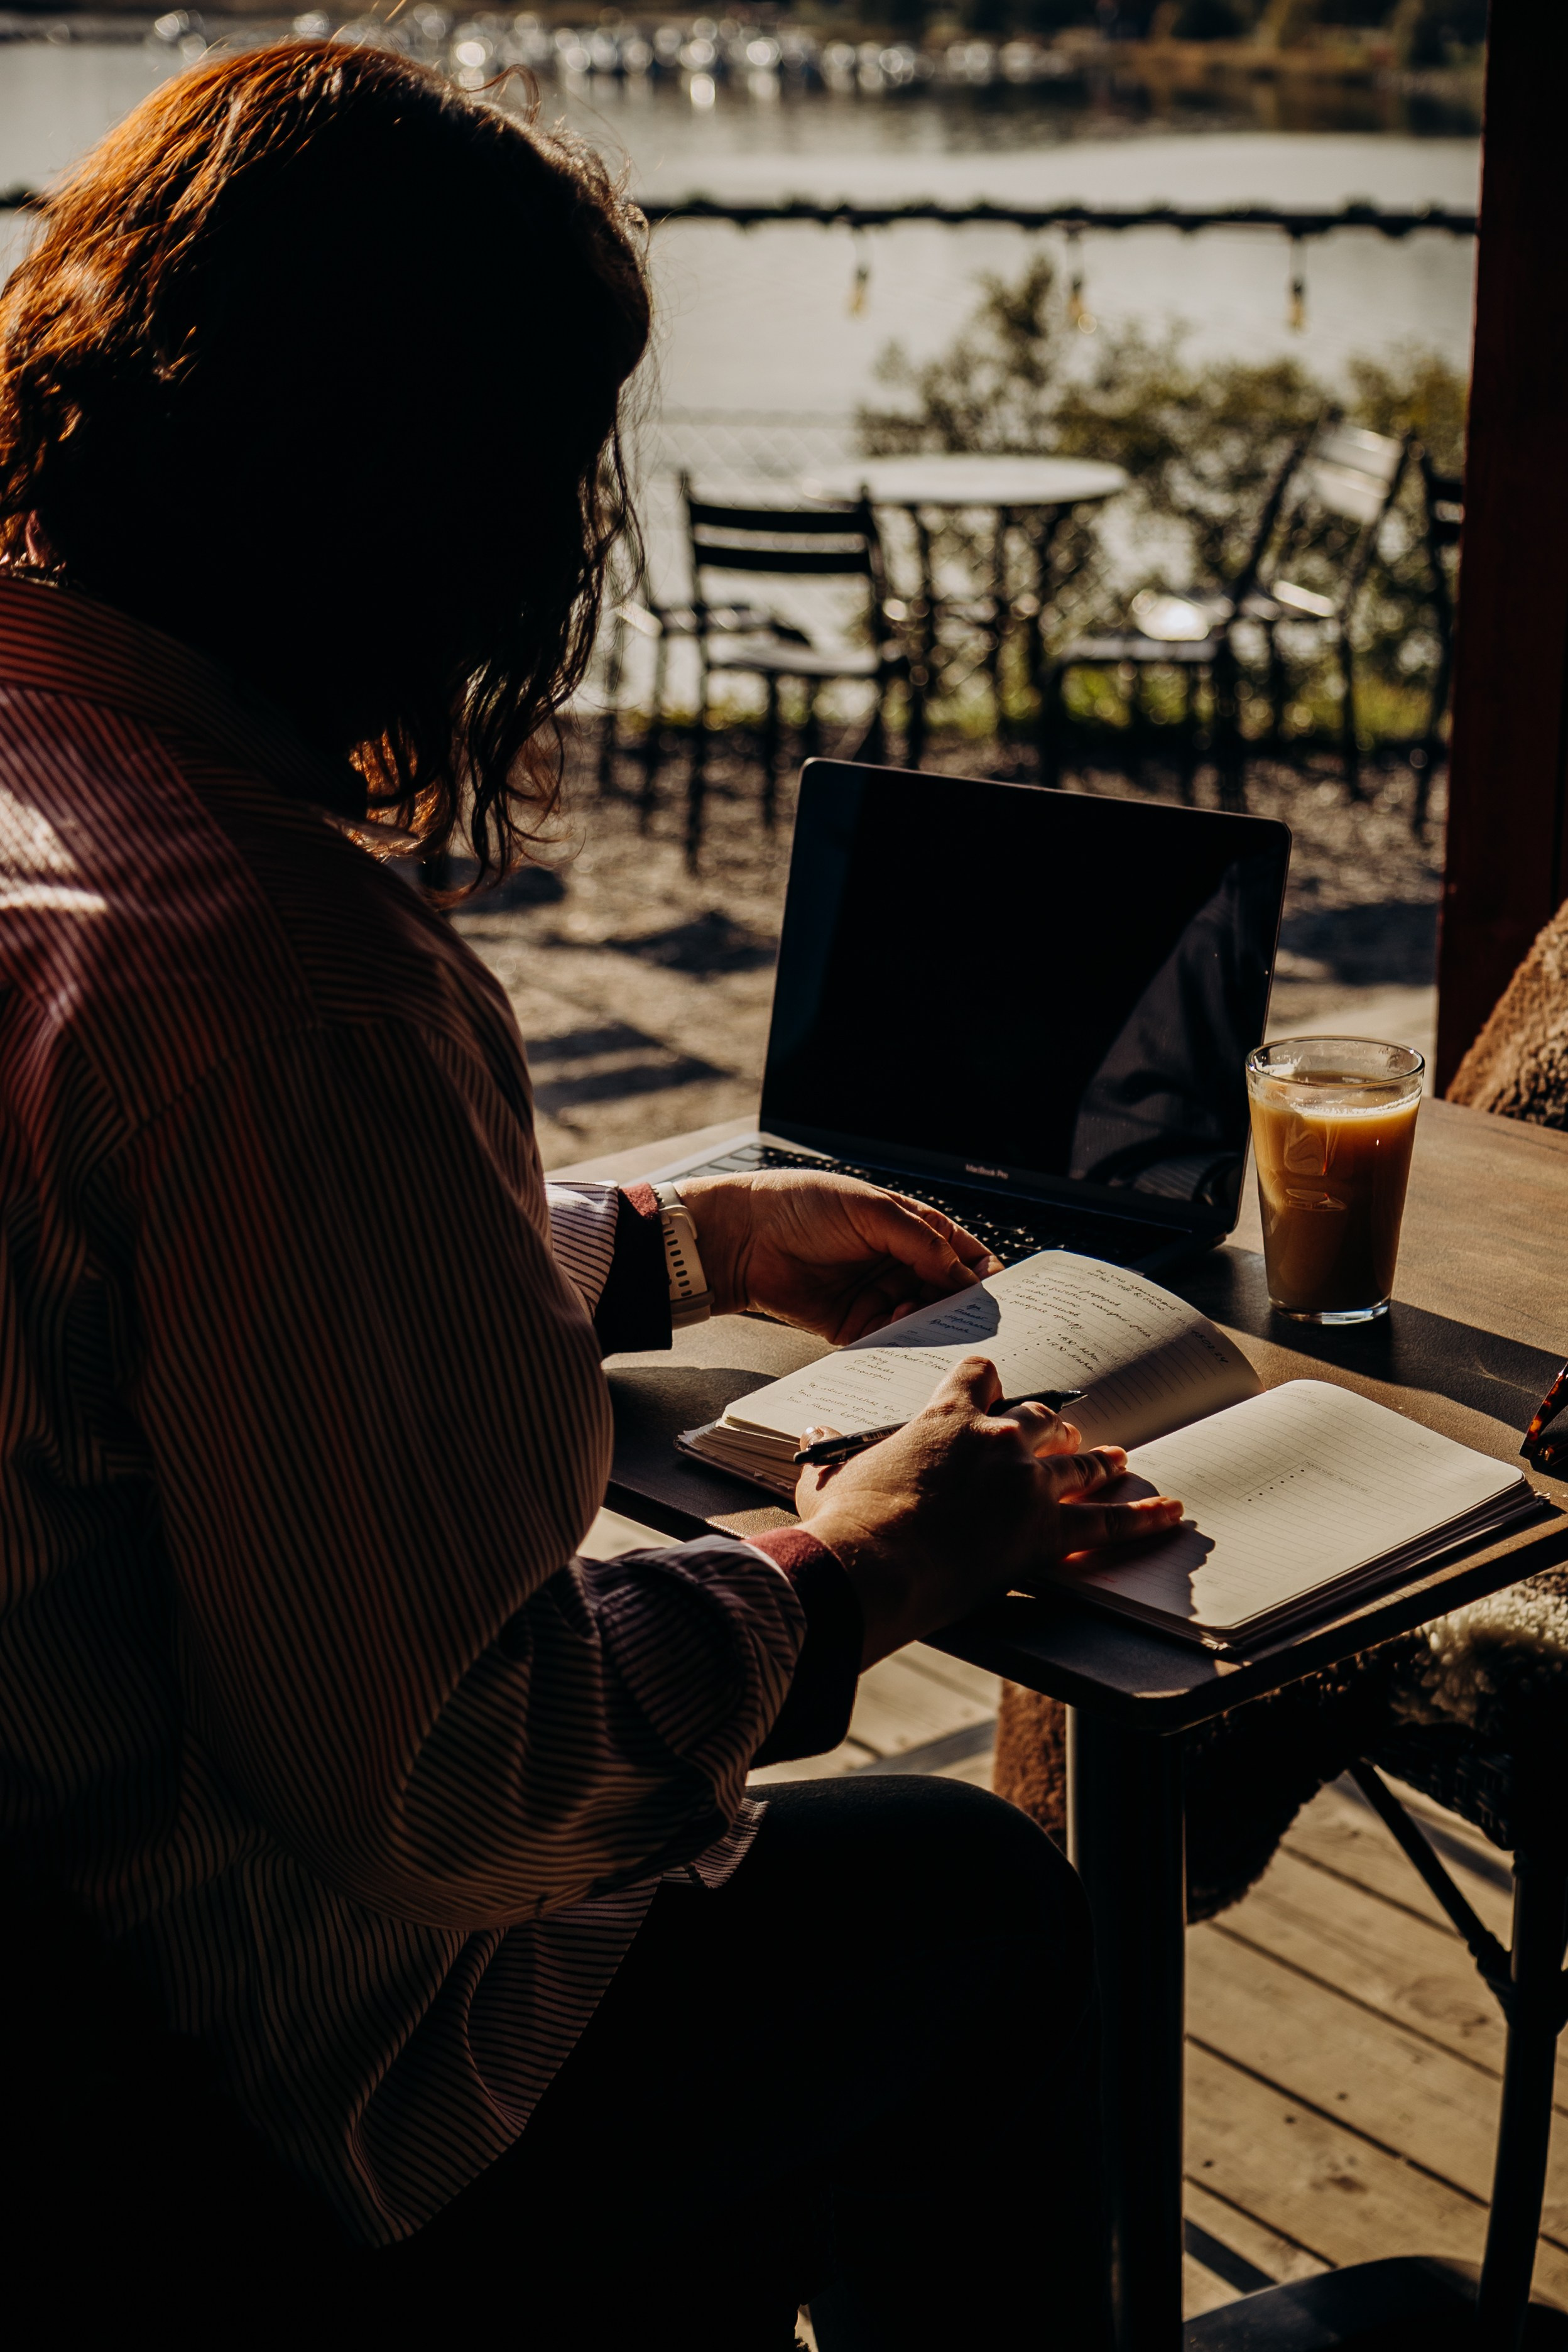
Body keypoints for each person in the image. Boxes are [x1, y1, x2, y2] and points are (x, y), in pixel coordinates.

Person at [0, 44, 1184, 2347]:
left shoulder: (46, 805)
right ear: (451, 512)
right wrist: (849, 1567)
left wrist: (667, 1242)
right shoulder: (284, 990)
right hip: (247, 2098)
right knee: (981, 1918)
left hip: (53, 1991)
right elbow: (446, 1788)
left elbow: (150, 1326)